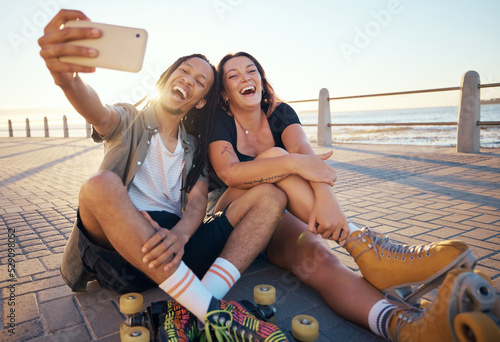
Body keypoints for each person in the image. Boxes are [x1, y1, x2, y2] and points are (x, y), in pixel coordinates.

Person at [38, 11, 291, 341]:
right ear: (167, 79)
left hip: (176, 247)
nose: (189, 80)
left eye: (200, 82)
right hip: (123, 251)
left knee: (272, 196)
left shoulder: (195, 147)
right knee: (99, 185)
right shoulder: (128, 120)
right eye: (184, 72)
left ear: (201, 102)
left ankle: (189, 306)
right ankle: (213, 312)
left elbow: (199, 200)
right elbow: (97, 110)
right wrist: (66, 79)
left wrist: (182, 236)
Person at [207, 52, 481, 341]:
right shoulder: (220, 121)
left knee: (321, 258)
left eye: (251, 71)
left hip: (277, 215)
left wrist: (327, 198)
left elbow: (306, 156)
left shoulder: (281, 113)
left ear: (262, 80)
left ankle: (405, 326)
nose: (245, 78)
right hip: (230, 212)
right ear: (224, 92)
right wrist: (289, 163)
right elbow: (230, 173)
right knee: (276, 157)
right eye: (233, 75)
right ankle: (359, 244)